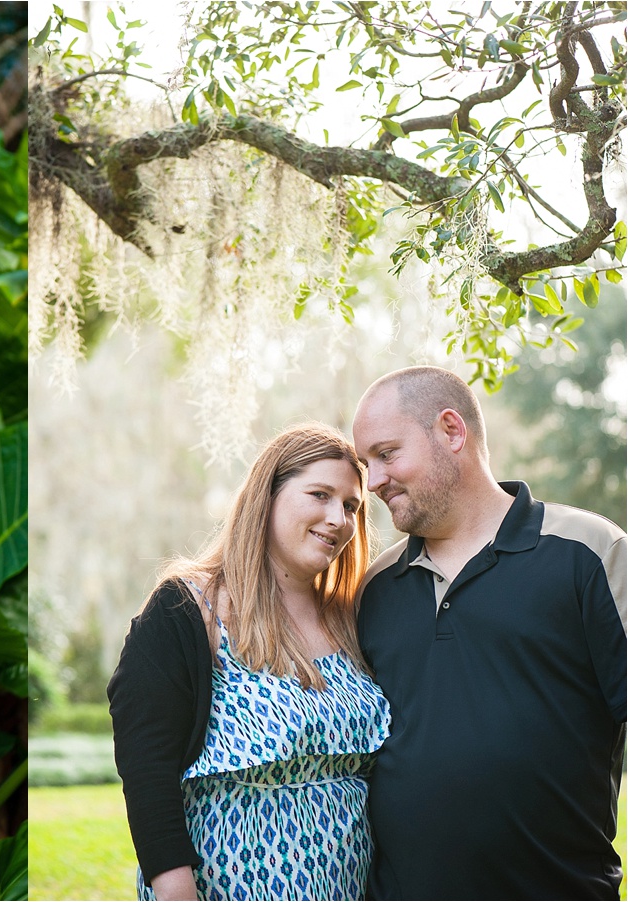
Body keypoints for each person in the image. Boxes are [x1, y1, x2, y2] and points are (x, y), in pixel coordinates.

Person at [351, 365, 627, 900]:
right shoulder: (374, 590)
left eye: (387, 454)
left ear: (452, 431)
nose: (373, 482)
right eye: (367, 464)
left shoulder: (589, 553)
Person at [108, 424, 391, 901]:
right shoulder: (188, 609)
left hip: (348, 883)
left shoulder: (351, 616)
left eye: (350, 506)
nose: (338, 519)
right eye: (319, 494)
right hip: (228, 884)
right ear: (268, 495)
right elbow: (146, 766)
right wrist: (174, 890)